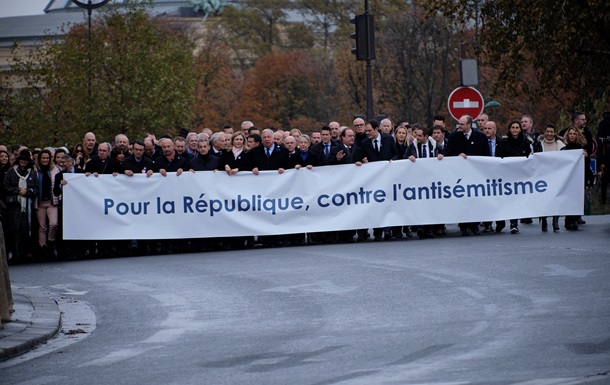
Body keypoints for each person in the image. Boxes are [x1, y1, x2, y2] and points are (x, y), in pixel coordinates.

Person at [445, 114, 490, 236]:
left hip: (476, 175)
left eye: (462, 124)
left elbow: (487, 156)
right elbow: (447, 154)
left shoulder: (481, 137)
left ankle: (474, 224)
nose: (459, 126)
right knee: (462, 200)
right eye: (459, 123)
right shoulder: (454, 137)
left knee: (475, 200)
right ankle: (463, 225)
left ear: (469, 125)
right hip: (459, 176)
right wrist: (457, 156)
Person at [360, 119, 398, 241]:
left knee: (388, 204)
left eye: (369, 131)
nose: (367, 133)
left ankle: (387, 230)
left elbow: (396, 154)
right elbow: (361, 157)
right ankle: (377, 232)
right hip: (374, 179)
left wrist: (392, 160)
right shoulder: (365, 143)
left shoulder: (389, 139)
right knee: (376, 205)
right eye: (366, 131)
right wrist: (363, 161)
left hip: (388, 177)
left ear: (377, 129)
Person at [496, 120, 533, 234]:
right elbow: (498, 158)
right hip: (506, 176)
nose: (515, 130)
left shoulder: (526, 142)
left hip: (519, 176)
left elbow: (528, 157)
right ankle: (500, 221)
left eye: (517, 127)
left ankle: (514, 223)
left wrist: (531, 156)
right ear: (509, 129)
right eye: (513, 127)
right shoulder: (503, 142)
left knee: (515, 200)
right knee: (504, 200)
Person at [3, 149, 39, 264]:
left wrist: (27, 191)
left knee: (26, 231)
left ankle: (25, 253)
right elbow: (5, 187)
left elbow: (37, 189)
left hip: (27, 206)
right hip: (14, 206)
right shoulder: (11, 172)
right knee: (14, 231)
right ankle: (15, 254)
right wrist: (18, 190)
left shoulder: (32, 173)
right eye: (22, 160)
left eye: (26, 160)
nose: (23, 162)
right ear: (19, 160)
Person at [53, 154, 85, 259]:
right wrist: (60, 185)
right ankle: (66, 252)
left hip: (79, 206)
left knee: (79, 227)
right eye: (60, 162)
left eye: (64, 162)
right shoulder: (59, 176)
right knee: (66, 228)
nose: (61, 164)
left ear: (71, 162)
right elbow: (56, 193)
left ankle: (80, 251)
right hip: (66, 207)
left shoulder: (81, 173)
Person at [538, 124, 565, 232]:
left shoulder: (560, 145)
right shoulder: (539, 144)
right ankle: (544, 220)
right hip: (543, 176)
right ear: (544, 132)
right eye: (547, 131)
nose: (549, 134)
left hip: (556, 176)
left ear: (555, 133)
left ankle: (555, 221)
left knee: (556, 198)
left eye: (551, 132)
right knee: (544, 199)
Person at [34, 149, 60, 259]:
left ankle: (51, 242)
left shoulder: (54, 169)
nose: (45, 160)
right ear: (39, 159)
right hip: (39, 202)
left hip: (51, 201)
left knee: (54, 223)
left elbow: (58, 183)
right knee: (42, 227)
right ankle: (42, 247)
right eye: (43, 158)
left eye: (47, 158)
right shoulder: (35, 170)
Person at [562, 127, 589, 231]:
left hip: (578, 178)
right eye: (570, 134)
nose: (572, 135)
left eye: (574, 134)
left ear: (577, 135)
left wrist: (585, 157)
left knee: (576, 199)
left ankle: (574, 220)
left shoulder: (581, 149)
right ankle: (568, 221)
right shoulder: (564, 149)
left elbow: (586, 166)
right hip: (568, 178)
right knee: (568, 199)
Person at [597, 112, 610, 204]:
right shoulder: (602, 124)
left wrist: (600, 162)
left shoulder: (602, 123)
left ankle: (603, 200)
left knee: (604, 181)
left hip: (605, 155)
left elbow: (599, 142)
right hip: (606, 153)